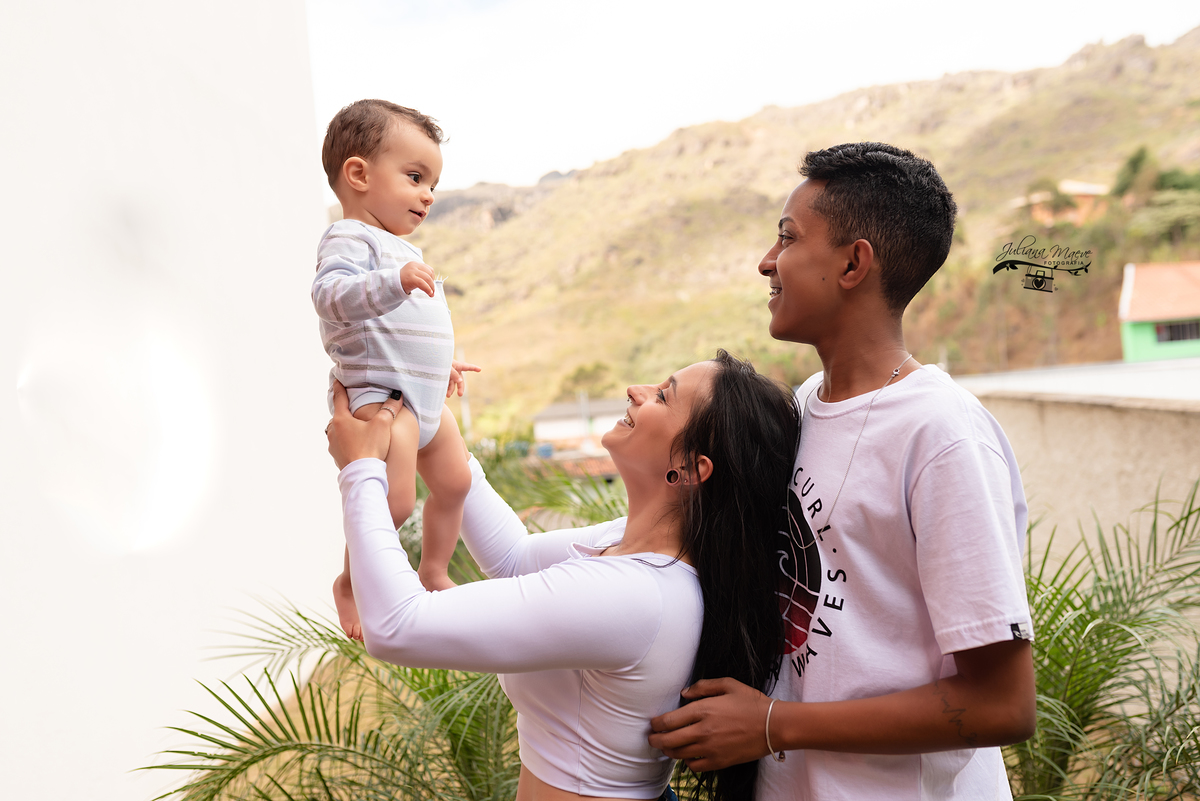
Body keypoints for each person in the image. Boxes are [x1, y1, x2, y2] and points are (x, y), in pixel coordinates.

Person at [648, 143, 1037, 800]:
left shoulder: (941, 433)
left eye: (788, 238)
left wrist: (774, 723)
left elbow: (1003, 703)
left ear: (854, 262)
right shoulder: (805, 402)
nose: (766, 262)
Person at [325, 350, 800, 801]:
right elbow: (512, 556)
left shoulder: (638, 595)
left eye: (663, 395)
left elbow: (396, 626)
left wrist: (362, 470)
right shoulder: (635, 546)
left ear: (691, 469)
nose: (636, 391)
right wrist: (421, 397)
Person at [312, 99, 480, 641]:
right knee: (397, 499)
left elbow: (410, 326)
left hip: (424, 396)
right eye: (414, 177)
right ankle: (349, 582)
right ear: (358, 174)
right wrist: (394, 280)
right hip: (384, 400)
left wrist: (442, 364)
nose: (428, 193)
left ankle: (433, 570)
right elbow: (329, 296)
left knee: (455, 484)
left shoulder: (401, 247)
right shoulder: (349, 239)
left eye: (431, 181)